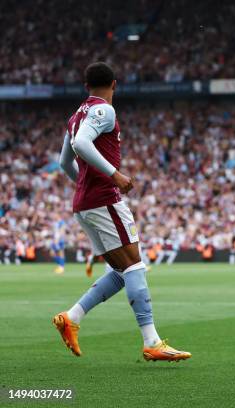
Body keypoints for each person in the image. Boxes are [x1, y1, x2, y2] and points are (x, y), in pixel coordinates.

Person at [54, 62, 191, 362]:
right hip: (104, 199)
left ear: (85, 85)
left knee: (120, 271)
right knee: (134, 267)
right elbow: (81, 143)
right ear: (114, 84)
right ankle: (152, 341)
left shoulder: (75, 116)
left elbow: (65, 162)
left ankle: (72, 317)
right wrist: (113, 175)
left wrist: (85, 185)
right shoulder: (105, 110)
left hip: (86, 202)